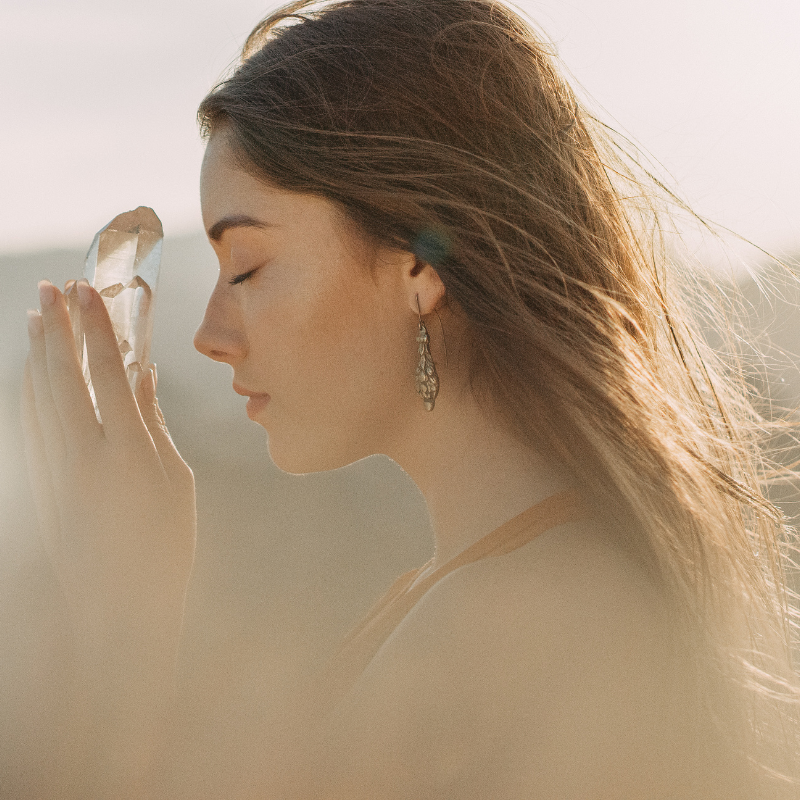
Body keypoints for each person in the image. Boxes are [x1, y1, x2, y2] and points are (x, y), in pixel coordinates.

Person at [21, 0, 800, 797]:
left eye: (247, 268)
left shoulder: (510, 622)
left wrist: (127, 625)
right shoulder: (490, 580)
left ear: (420, 262)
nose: (211, 334)